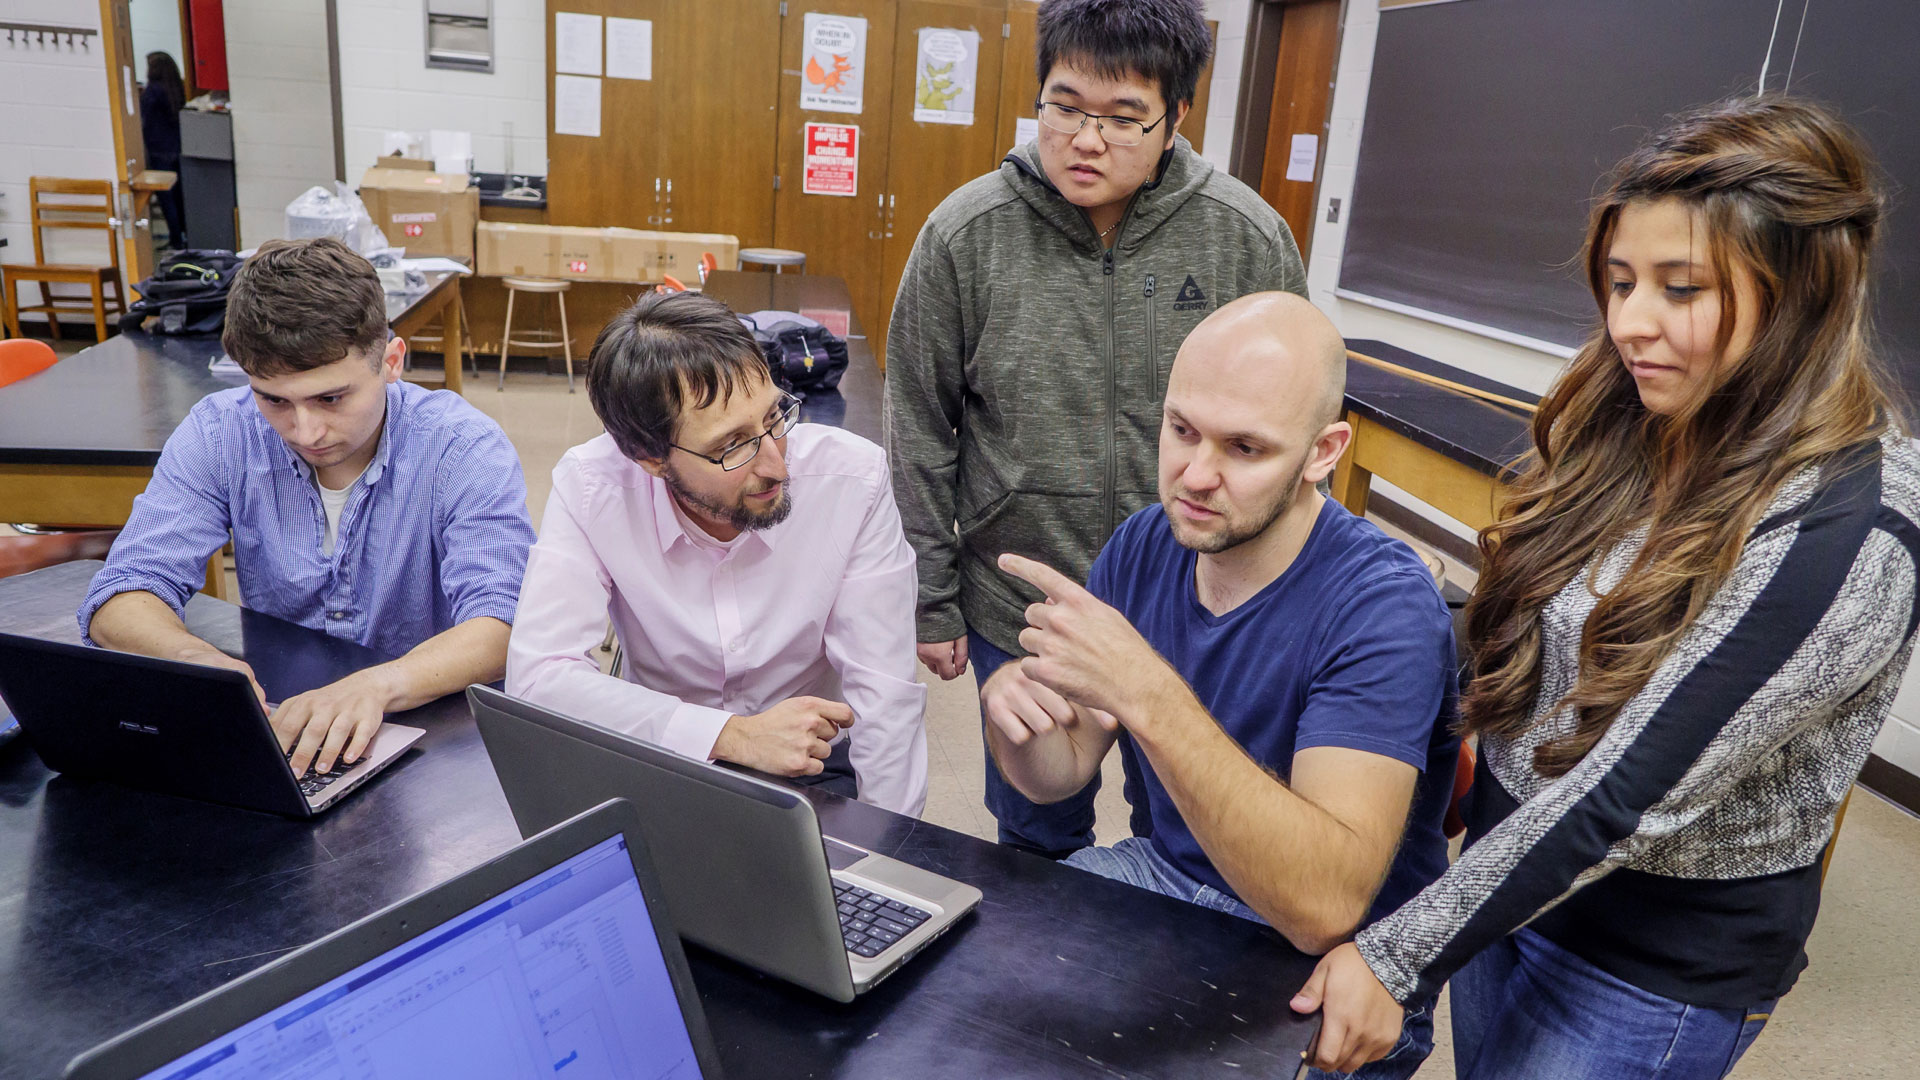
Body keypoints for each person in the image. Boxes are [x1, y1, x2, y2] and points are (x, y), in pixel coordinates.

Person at [1293, 96, 1920, 1079]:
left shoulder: (1854, 524)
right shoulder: (1641, 411)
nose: (1632, 323)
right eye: (1621, 281)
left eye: (1681, 288)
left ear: (1803, 289)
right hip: (1503, 898)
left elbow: (1629, 793)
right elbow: (1539, 606)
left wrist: (1397, 955)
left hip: (1643, 976)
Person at [989, 293, 1457, 1080]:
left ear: (1322, 451)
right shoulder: (1146, 542)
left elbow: (1321, 907)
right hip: (1165, 875)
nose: (1195, 476)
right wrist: (1018, 725)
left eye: (1244, 448)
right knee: (963, 989)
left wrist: (1150, 694)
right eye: (1181, 431)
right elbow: (1062, 772)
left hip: (1343, 955)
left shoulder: (1384, 606)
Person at [887, 0, 1308, 857]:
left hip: (1199, 605)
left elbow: (1293, 422)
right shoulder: (966, 236)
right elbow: (920, 426)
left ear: (1176, 116)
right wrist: (932, 599)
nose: (1086, 139)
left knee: (1192, 832)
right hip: (1026, 602)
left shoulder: (1245, 239)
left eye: (1123, 118)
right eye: (1064, 106)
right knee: (1035, 834)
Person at [81, 238, 536, 776]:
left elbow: (502, 623)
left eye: (331, 398)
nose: (306, 430)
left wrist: (376, 685)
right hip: (281, 724)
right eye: (274, 399)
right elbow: (124, 592)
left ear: (392, 361)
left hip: (431, 737)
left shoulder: (462, 446)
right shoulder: (220, 431)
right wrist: (194, 660)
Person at [507, 291, 928, 815]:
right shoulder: (594, 488)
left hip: (816, 762)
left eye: (775, 418)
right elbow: (540, 677)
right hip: (661, 753)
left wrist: (890, 859)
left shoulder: (852, 481)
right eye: (732, 446)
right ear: (650, 458)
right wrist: (730, 736)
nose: (776, 464)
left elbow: (884, 699)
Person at [139, 51, 187, 250]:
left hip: (159, 150)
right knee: (178, 197)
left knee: (167, 199)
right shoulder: (175, 88)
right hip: (176, 148)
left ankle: (175, 239)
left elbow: (143, 118)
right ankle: (183, 236)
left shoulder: (153, 91)